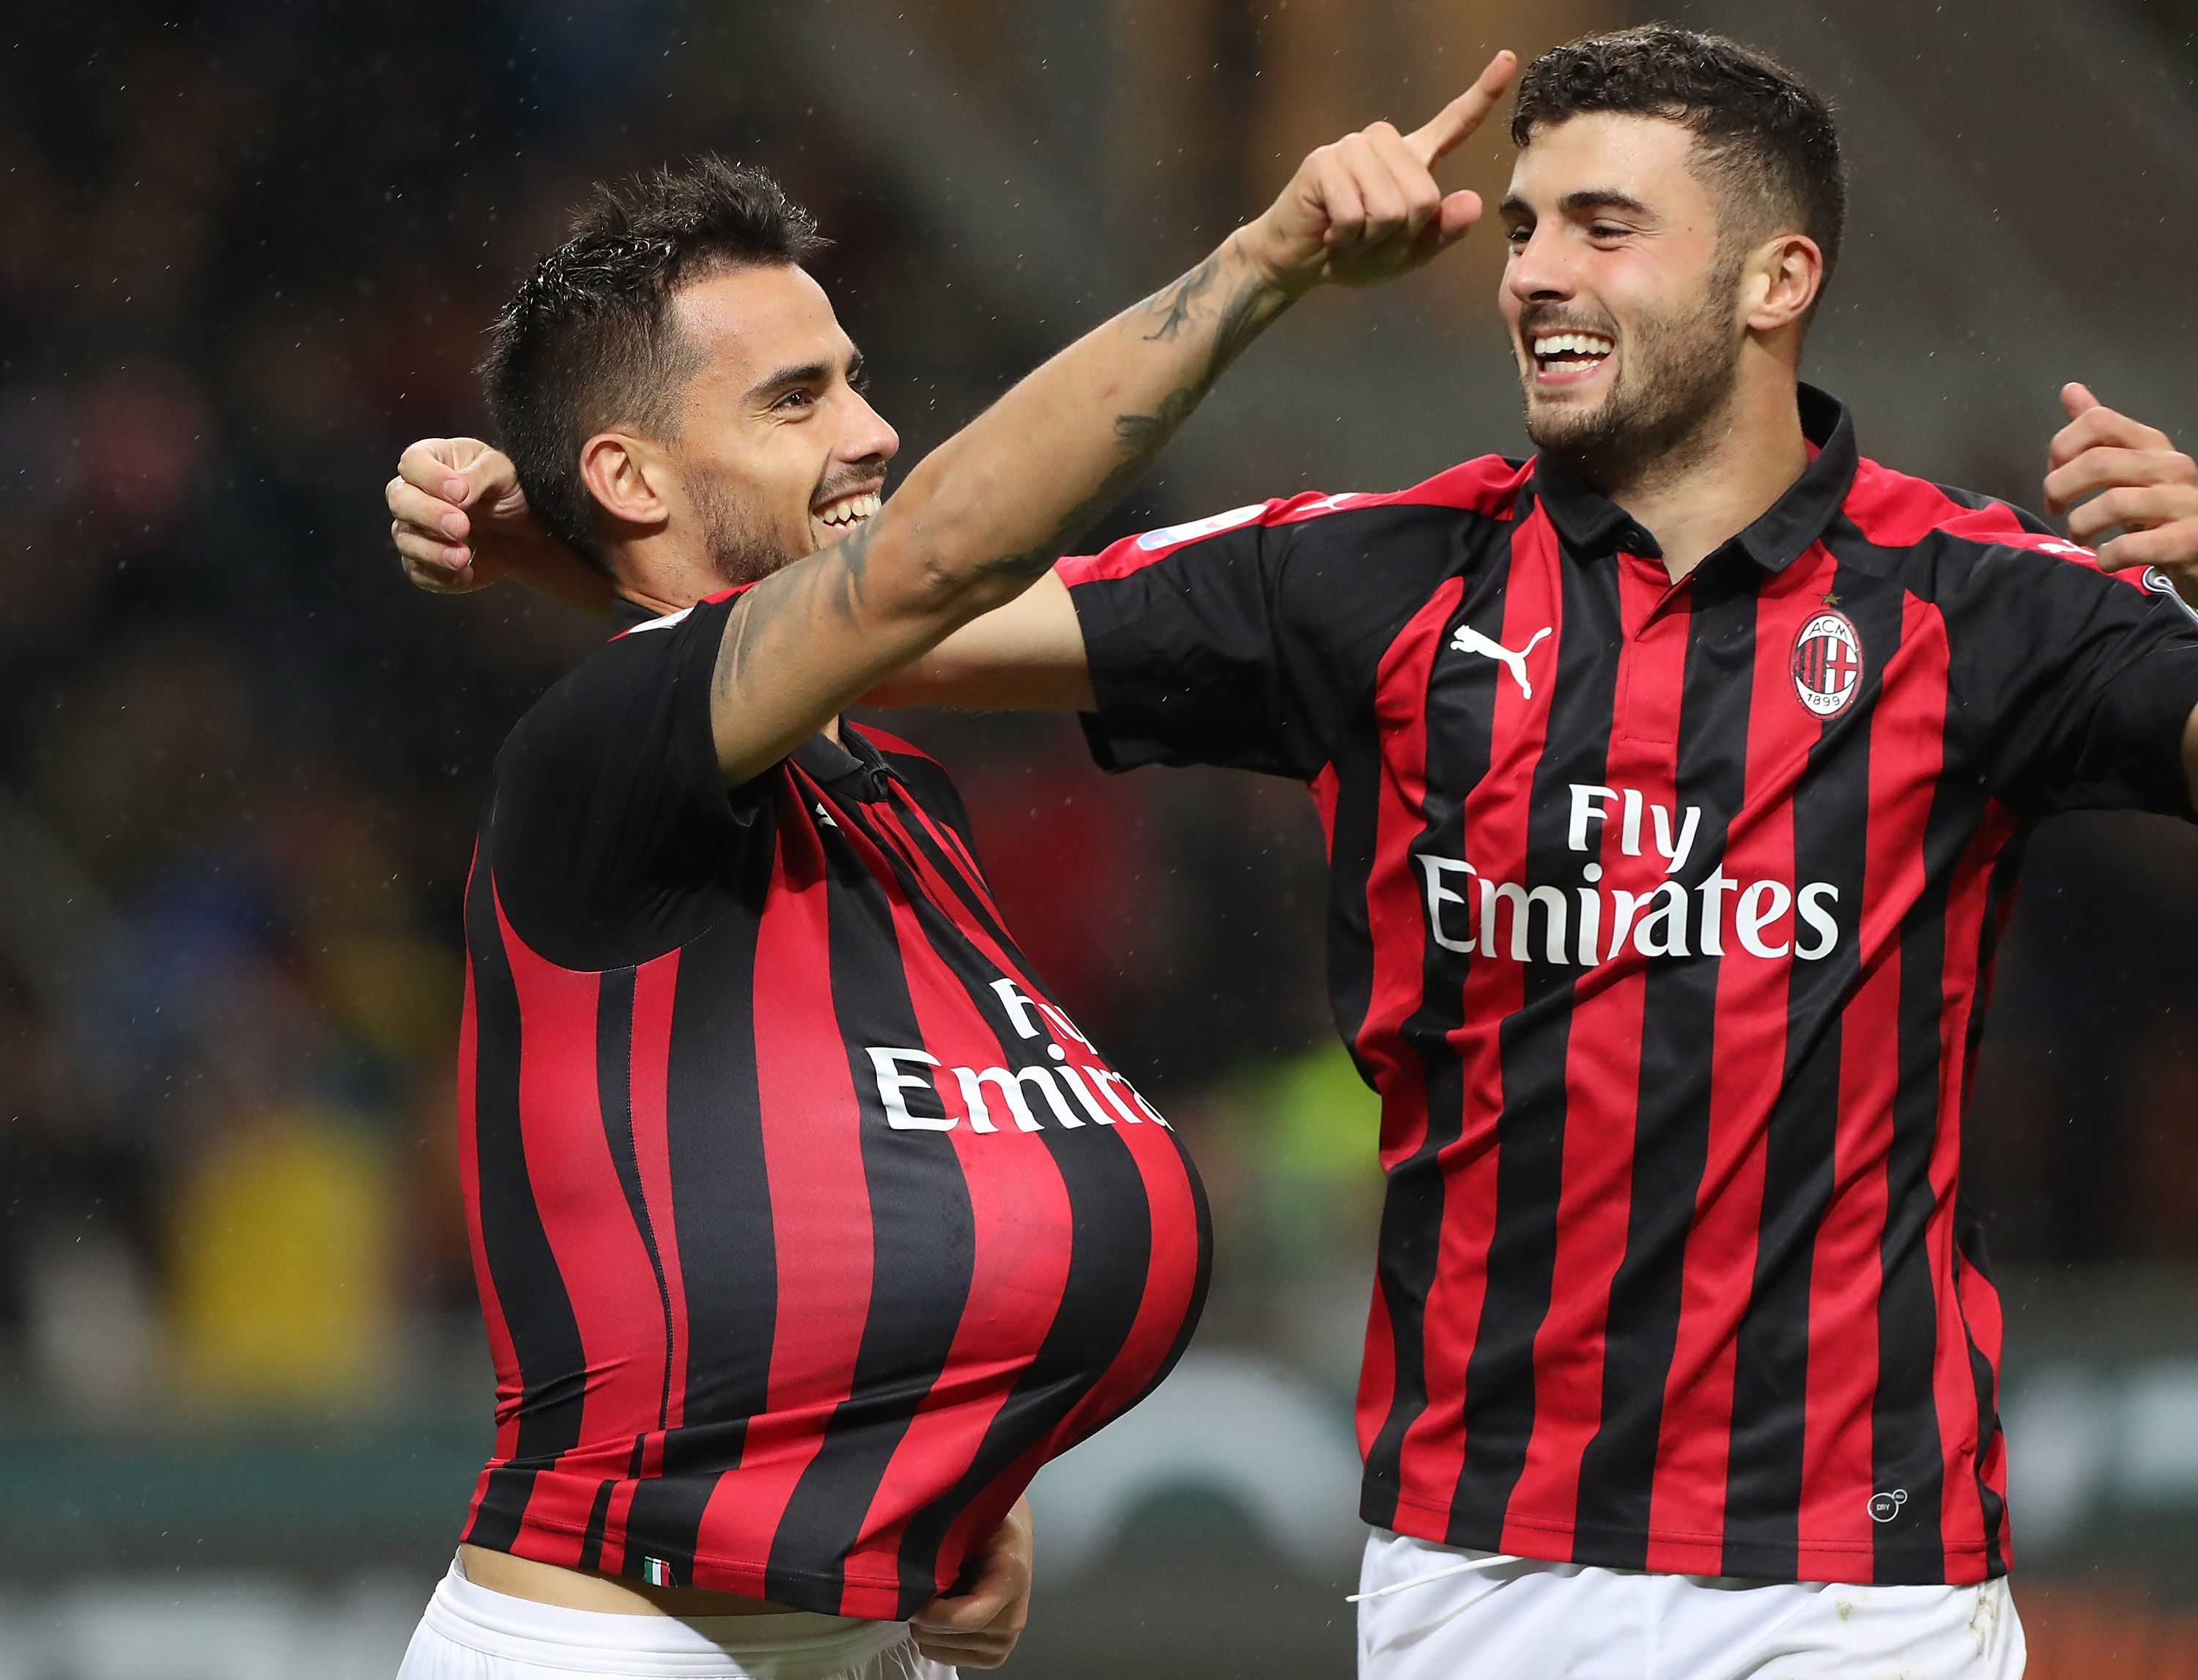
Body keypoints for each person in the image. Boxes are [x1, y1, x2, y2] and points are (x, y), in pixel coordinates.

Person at [394, 28, 2198, 1680]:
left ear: (1777, 280)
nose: (1538, 273)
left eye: (1603, 226)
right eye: (1524, 228)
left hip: (1848, 1577)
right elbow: (915, 606)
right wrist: (583, 542)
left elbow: (878, 611)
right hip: (1469, 1573)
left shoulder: (1983, 607)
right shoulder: (1378, 574)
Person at [380, 57, 1522, 1680]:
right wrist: (1262, 263)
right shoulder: (596, 750)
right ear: (630, 476)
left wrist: (953, 1471)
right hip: (618, 1643)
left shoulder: (886, 783)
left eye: (853, 378)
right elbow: (924, 563)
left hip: (853, 1639)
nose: (874, 429)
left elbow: (910, 1180)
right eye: (796, 401)